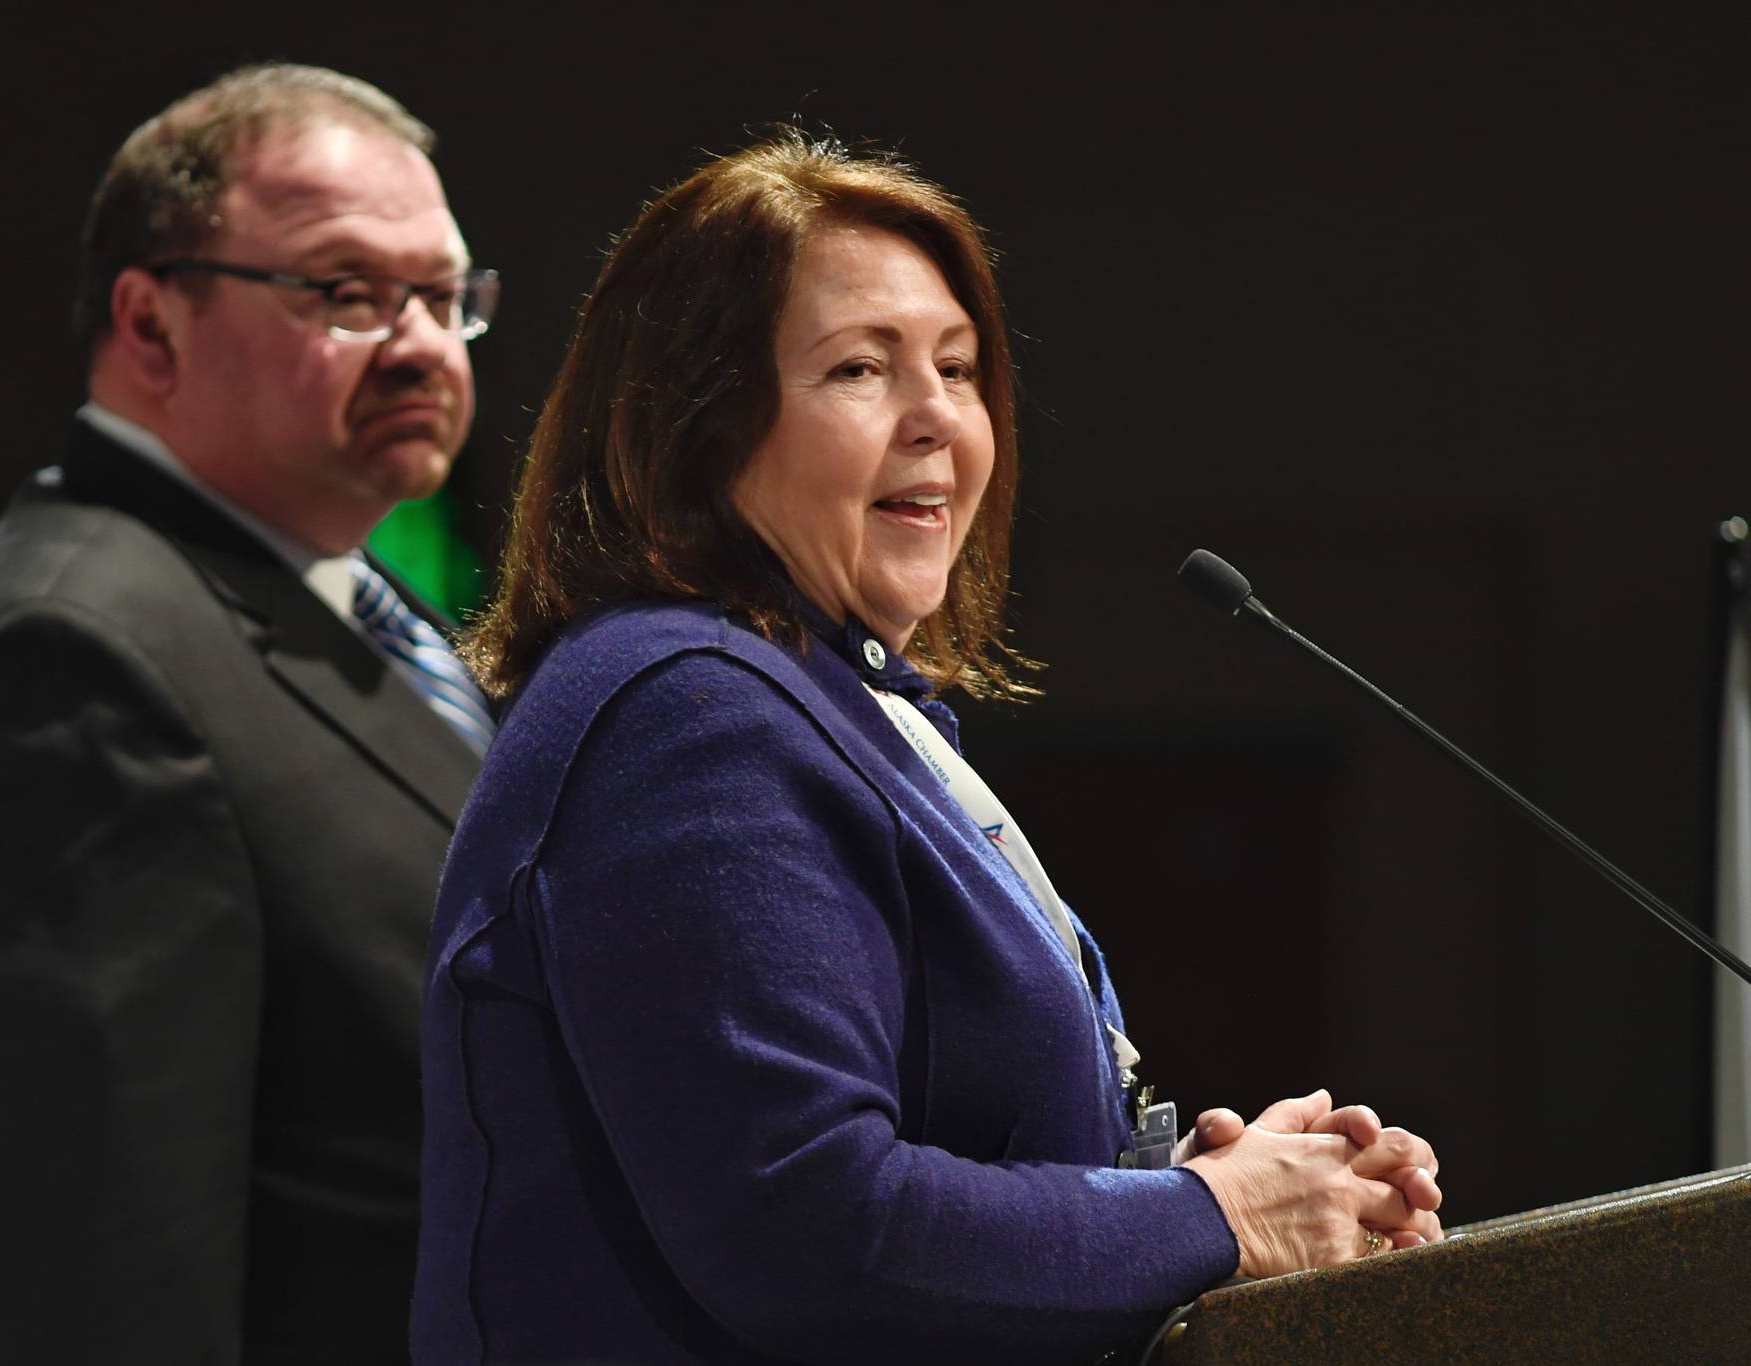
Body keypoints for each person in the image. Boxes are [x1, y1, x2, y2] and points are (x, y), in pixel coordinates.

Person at [413, 135, 1442, 1365]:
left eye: (957, 368)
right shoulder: (689, 716)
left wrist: (1178, 1188)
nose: (937, 420)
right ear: (692, 421)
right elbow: (807, 1224)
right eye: (859, 368)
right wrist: (1212, 1217)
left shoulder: (811, 693)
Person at [0, 64, 497, 1364]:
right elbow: (86, 1278)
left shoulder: (356, 605)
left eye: (443, 297)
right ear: (151, 326)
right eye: (347, 293)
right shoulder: (69, 657)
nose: (423, 342)